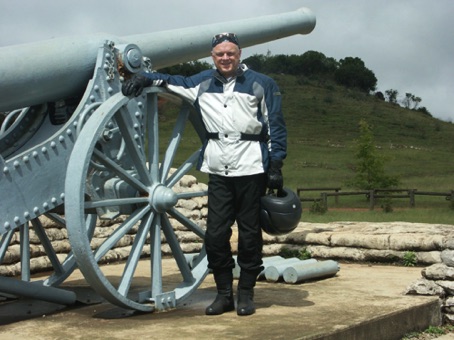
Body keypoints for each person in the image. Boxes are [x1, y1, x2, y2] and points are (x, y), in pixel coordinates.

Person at [122, 32, 287, 316]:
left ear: (239, 55)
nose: (225, 58)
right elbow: (171, 82)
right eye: (220, 54)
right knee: (214, 236)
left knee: (249, 236)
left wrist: (275, 165)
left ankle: (246, 294)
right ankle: (224, 294)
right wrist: (145, 77)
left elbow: (275, 126)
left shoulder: (262, 84)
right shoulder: (201, 82)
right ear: (213, 57)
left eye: (230, 53)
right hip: (218, 170)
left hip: (251, 168)